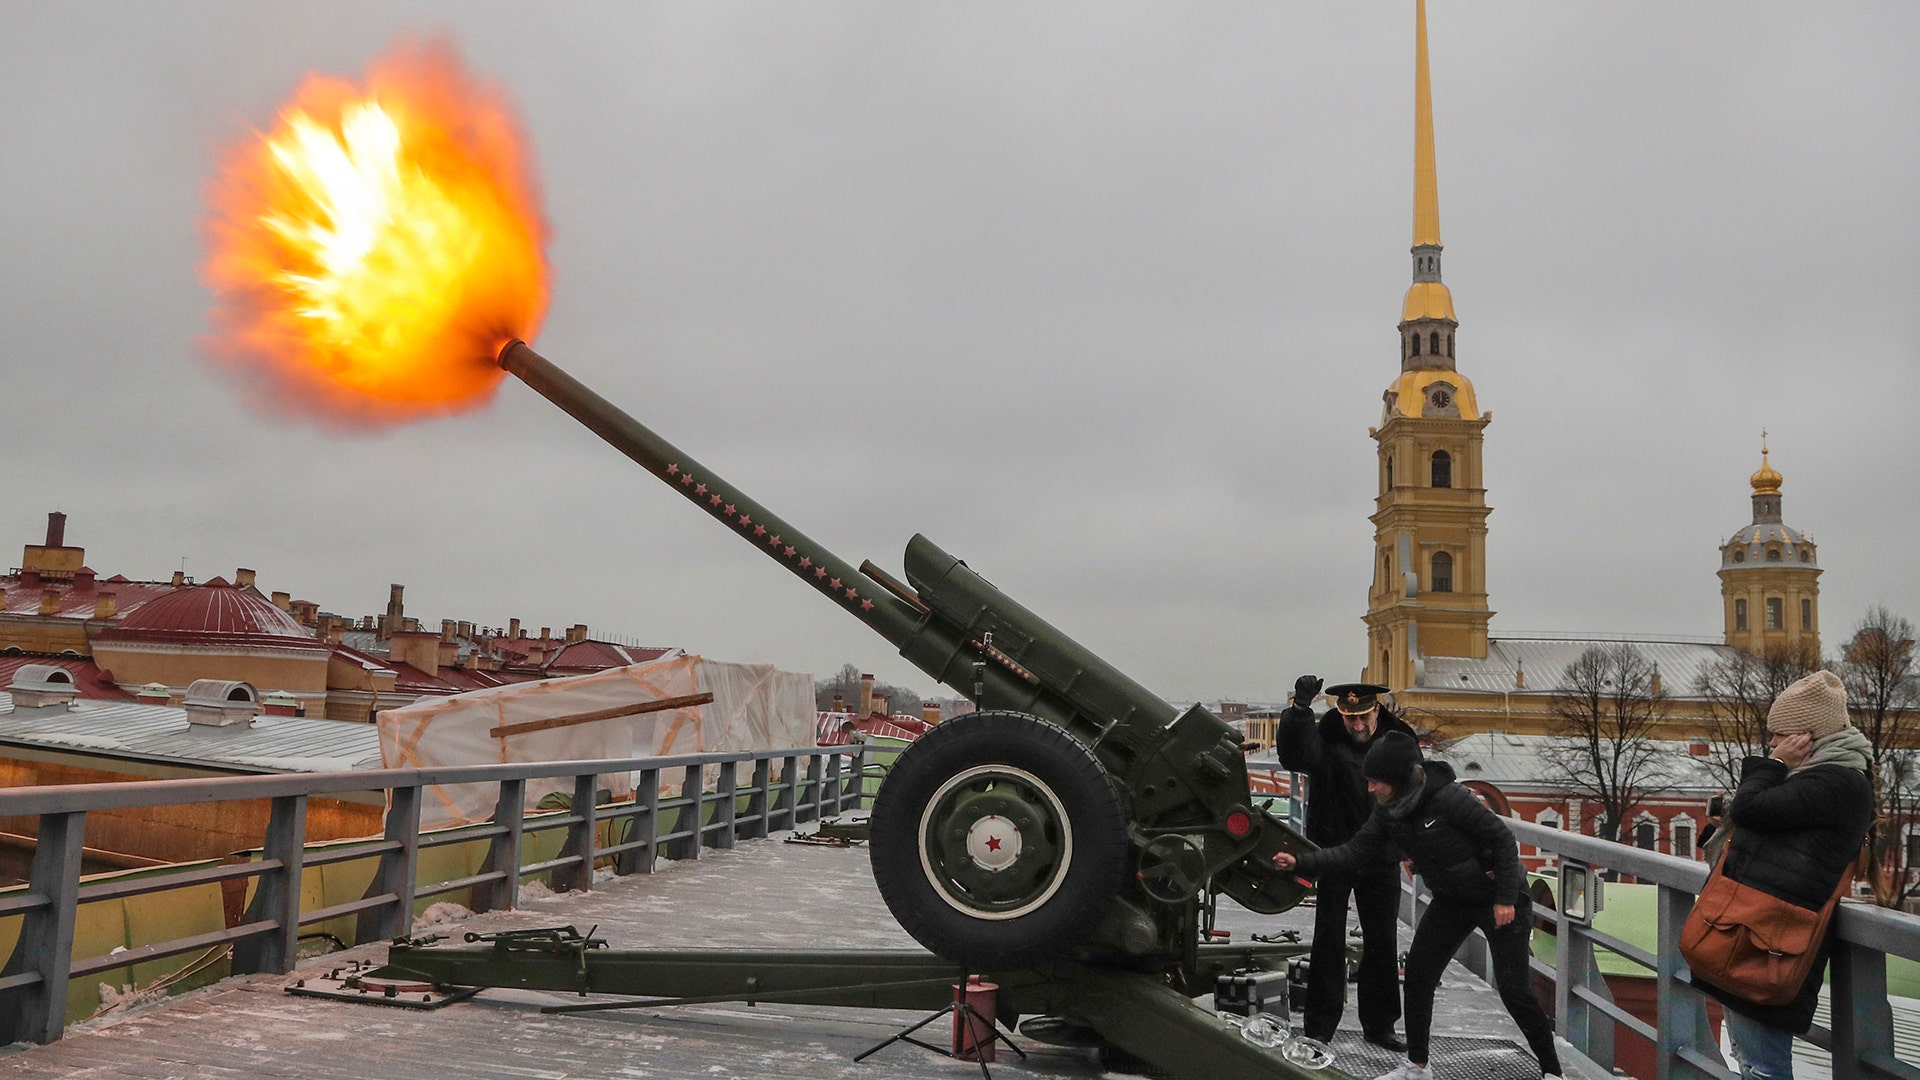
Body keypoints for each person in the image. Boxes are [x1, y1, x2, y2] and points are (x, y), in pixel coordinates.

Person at [1273, 731, 1564, 1080]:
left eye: (1376, 782)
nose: (1370, 789)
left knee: (1515, 990)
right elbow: (1354, 851)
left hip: (1498, 898)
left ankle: (1552, 1072)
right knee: (1419, 976)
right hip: (1453, 900)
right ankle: (1417, 1065)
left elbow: (1501, 839)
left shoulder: (1450, 799)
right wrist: (1301, 862)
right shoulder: (1388, 812)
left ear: (1397, 778)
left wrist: (1504, 898)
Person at [1705, 670, 1873, 1080]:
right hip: (1755, 931)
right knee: (1751, 1060)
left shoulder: (1835, 782)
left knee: (1762, 1067)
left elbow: (1750, 809)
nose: (1772, 745)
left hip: (1771, 942)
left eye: (1779, 736)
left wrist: (1774, 765)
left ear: (1806, 737)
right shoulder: (1823, 779)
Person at [1274, 678, 1417, 1053]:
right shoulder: (1326, 736)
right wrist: (1299, 713)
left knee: (1382, 941)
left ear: (1377, 709)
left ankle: (1380, 1024)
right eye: (1349, 717)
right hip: (1334, 849)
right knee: (1328, 940)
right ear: (1340, 712)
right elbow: (1294, 756)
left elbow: (1415, 793)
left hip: (1381, 854)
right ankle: (1320, 1026)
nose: (1356, 725)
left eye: (1363, 717)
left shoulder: (1399, 738)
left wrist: (1415, 845)